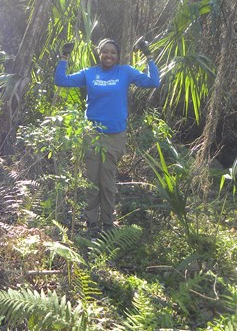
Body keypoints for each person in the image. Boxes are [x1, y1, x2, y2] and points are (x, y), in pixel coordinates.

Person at [54, 38, 160, 236]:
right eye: (105, 52)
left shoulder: (125, 72)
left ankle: (108, 223)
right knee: (92, 180)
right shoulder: (89, 73)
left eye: (112, 52)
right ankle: (91, 223)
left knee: (108, 181)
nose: (109, 55)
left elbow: (153, 82)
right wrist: (64, 57)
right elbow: (62, 80)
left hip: (115, 135)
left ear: (117, 55)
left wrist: (149, 57)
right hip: (92, 134)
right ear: (99, 53)